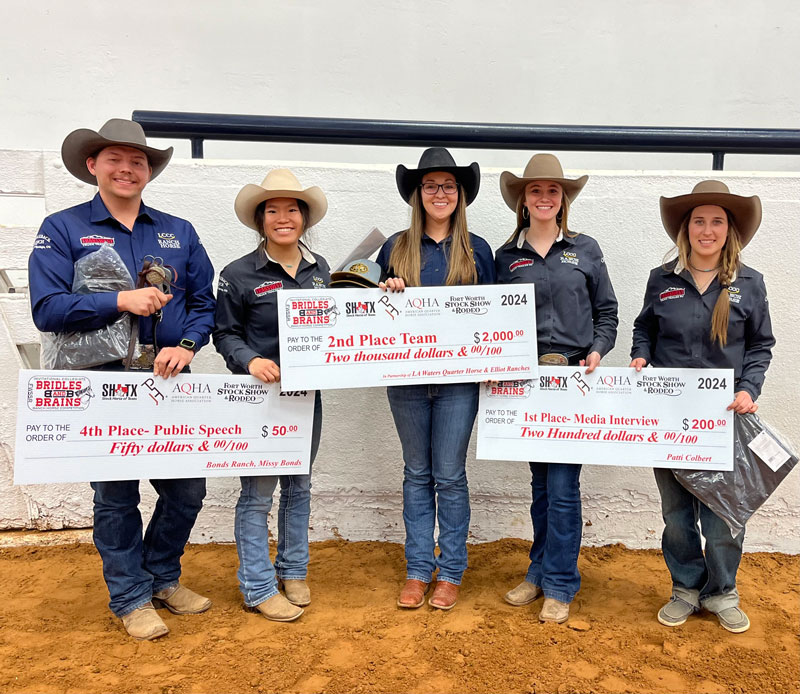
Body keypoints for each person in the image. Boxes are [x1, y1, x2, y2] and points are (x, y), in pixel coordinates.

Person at [28, 118, 216, 640]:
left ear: (149, 171)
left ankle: (160, 576)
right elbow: (46, 308)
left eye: (138, 161)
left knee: (187, 491)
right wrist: (119, 300)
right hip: (99, 384)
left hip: (167, 380)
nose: (127, 169)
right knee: (116, 495)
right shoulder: (61, 228)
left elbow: (204, 303)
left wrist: (187, 344)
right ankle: (130, 596)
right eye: (115, 159)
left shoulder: (178, 230)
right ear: (93, 166)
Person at [630, 180, 774, 633]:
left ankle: (722, 591)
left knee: (723, 515)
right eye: (699, 221)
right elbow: (644, 330)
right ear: (685, 228)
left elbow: (760, 346)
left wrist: (749, 388)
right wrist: (640, 355)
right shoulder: (662, 279)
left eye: (717, 221)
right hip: (668, 417)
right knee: (676, 516)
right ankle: (686, 588)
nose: (707, 230)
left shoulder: (749, 284)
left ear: (729, 230)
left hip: (724, 419)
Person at [494, 153, 618, 623]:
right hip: (525, 381)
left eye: (552, 191)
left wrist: (598, 350)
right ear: (522, 201)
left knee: (564, 486)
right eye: (535, 190)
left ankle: (561, 584)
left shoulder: (585, 249)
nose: (544, 198)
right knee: (541, 486)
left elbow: (607, 311)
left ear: (563, 199)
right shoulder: (506, 258)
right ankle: (540, 571)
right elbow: (491, 317)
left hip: (571, 379)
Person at [377, 147, 496, 610]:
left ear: (460, 194)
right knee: (415, 473)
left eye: (448, 186)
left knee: (449, 475)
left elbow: (495, 318)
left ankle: (450, 572)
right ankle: (417, 568)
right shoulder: (394, 247)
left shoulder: (477, 249)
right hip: (405, 378)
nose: (440, 193)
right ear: (418, 194)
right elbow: (363, 308)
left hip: (459, 384)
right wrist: (384, 292)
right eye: (431, 186)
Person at [213, 169, 330, 622]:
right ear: (261, 220)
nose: (284, 217)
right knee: (258, 494)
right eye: (273, 210)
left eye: (292, 209)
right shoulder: (238, 274)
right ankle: (257, 585)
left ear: (303, 218)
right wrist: (250, 360)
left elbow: (338, 324)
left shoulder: (321, 271)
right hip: (258, 397)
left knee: (299, 485)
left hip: (307, 397)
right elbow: (224, 334)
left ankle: (294, 569)